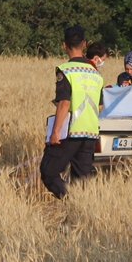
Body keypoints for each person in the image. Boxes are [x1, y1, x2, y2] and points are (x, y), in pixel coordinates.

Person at [40, 26, 104, 198]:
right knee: (81, 181)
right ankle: (82, 210)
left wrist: (54, 133)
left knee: (48, 171)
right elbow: (100, 107)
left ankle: (72, 200)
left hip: (70, 131)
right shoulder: (96, 74)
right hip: (90, 132)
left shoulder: (65, 71)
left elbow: (64, 103)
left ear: (64, 45)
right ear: (84, 44)